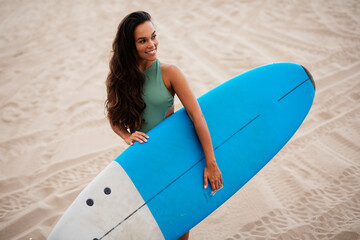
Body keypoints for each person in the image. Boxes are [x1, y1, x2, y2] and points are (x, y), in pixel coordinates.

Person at [105, 11, 222, 240]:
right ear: (130, 46)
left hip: (175, 155)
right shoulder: (119, 79)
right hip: (145, 158)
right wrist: (126, 136)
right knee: (155, 222)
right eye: (143, 40)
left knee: (180, 220)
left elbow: (197, 116)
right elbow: (113, 117)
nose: (152, 44)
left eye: (153, 36)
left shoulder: (169, 73)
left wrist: (211, 162)